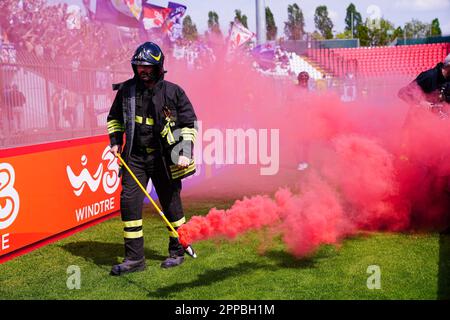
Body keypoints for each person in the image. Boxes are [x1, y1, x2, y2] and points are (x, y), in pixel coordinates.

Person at [107, 42, 198, 276]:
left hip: (165, 159)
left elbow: (189, 124)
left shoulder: (173, 92)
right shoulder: (126, 91)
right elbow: (114, 118)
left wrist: (184, 153)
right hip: (134, 157)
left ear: (158, 67)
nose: (142, 70)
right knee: (129, 204)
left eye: (147, 66)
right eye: (138, 66)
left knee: (171, 204)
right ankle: (134, 259)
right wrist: (116, 140)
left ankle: (177, 251)